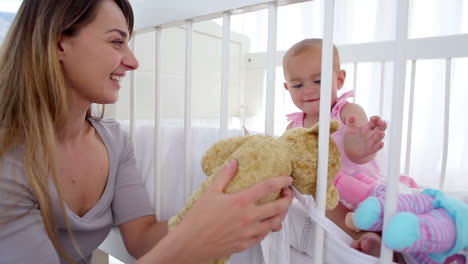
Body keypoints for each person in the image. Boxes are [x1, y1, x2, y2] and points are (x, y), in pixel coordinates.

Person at [0, 1, 294, 263]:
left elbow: (142, 238)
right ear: (59, 44)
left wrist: (226, 218)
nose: (133, 61)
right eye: (117, 42)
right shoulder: (7, 160)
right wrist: (191, 241)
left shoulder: (113, 140)